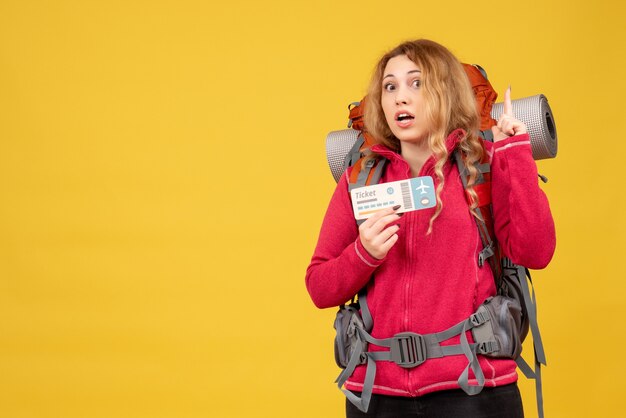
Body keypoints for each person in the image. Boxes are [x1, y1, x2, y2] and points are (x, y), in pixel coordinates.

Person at [305, 39, 556, 418]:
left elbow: (536, 252)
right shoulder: (361, 179)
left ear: (446, 93)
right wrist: (364, 254)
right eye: (390, 87)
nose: (399, 98)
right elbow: (319, 287)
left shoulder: (484, 167)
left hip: (474, 391)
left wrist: (515, 152)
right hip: (376, 394)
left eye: (416, 83)